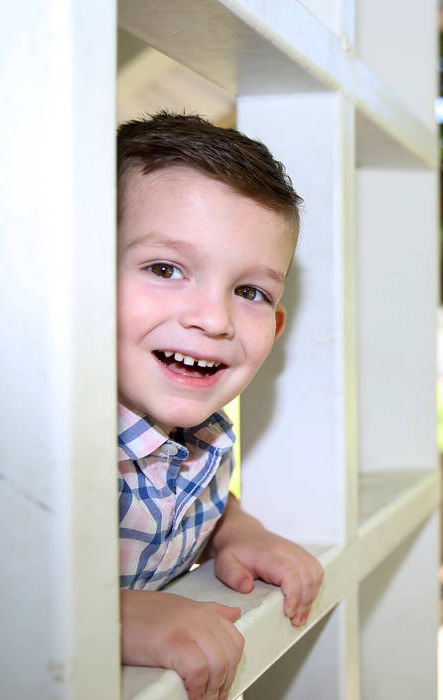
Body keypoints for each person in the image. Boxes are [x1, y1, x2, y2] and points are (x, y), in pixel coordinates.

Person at [115, 112, 323, 700]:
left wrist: (235, 527)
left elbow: (170, 487)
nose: (213, 319)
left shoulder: (198, 434)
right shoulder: (35, 443)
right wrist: (109, 620)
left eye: (250, 292)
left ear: (276, 326)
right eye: (165, 269)